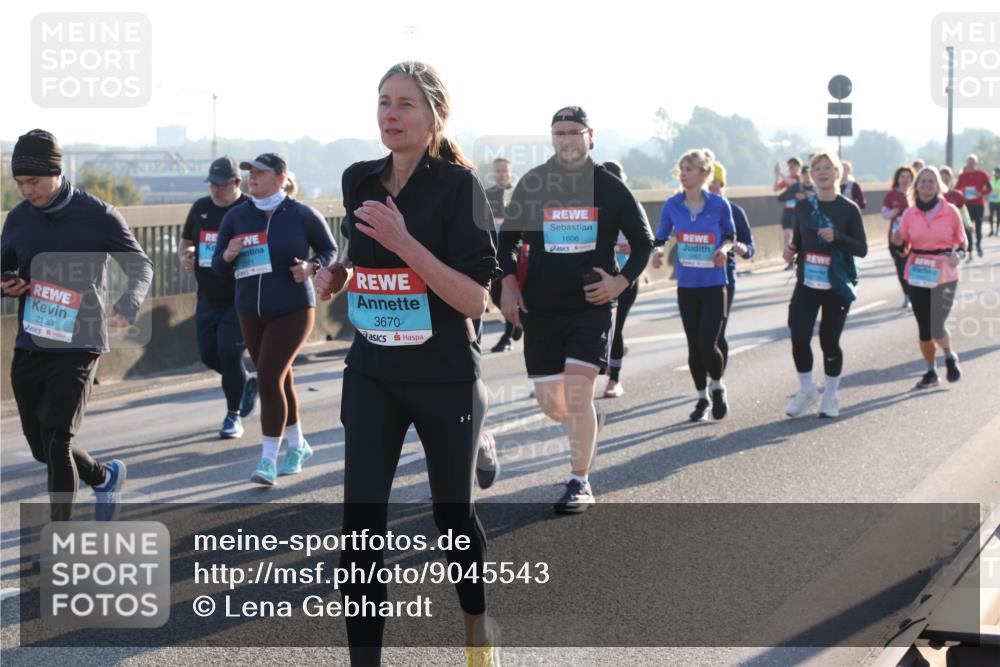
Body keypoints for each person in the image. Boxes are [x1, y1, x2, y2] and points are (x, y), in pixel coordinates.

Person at [314, 61, 500, 666]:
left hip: (444, 376)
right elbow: (358, 254)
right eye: (383, 102)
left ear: (435, 116)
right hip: (374, 374)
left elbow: (475, 301)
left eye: (405, 105)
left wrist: (405, 243)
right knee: (360, 533)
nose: (389, 115)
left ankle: (477, 632)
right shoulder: (358, 178)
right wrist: (337, 274)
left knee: (453, 519)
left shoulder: (460, 188)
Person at [499, 105, 653, 514]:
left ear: (590, 136)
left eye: (574, 132)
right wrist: (509, 283)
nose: (567, 139)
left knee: (579, 393)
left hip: (591, 306)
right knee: (551, 403)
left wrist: (620, 282)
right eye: (560, 133)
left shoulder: (609, 187)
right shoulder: (534, 183)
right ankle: (586, 424)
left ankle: (579, 481)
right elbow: (506, 241)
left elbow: (643, 242)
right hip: (541, 308)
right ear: (552, 139)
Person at [1, 129, 153, 522]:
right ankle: (103, 477)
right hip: (32, 341)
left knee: (57, 438)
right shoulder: (18, 219)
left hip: (81, 342)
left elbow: (140, 266)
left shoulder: (99, 215)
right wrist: (8, 283)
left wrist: (128, 303)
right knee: (41, 446)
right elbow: (5, 270)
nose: (25, 190)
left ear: (56, 172)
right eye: (19, 183)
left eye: (33, 181)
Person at [212, 153, 336, 485]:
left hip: (293, 308)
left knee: (267, 377)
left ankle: (267, 460)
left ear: (280, 178)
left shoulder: (301, 214)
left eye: (260, 172)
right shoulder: (237, 216)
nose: (252, 177)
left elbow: (330, 250)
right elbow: (218, 267)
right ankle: (298, 445)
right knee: (280, 379)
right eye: (250, 172)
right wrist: (228, 254)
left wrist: (311, 266)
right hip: (249, 310)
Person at [651, 149, 735, 422]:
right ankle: (701, 398)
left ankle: (717, 387)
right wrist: (658, 251)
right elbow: (661, 236)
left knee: (708, 343)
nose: (683, 174)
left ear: (704, 173)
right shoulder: (672, 205)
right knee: (694, 346)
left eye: (689, 169)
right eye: (682, 169)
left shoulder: (719, 205)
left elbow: (730, 236)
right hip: (687, 286)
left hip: (714, 284)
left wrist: (724, 249)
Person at [783, 151, 867, 419]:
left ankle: (830, 395)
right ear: (811, 175)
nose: (821, 172)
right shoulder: (803, 207)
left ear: (837, 173)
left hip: (836, 284)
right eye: (816, 168)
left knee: (829, 342)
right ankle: (807, 389)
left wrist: (837, 237)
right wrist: (790, 251)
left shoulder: (848, 209)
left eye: (827, 167)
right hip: (807, 281)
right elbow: (798, 241)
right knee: (798, 335)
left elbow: (862, 248)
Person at [179, 156, 257, 439]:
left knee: (228, 351)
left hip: (239, 297)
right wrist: (186, 256)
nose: (215, 189)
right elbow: (187, 242)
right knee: (208, 354)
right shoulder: (200, 207)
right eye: (212, 183)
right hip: (207, 295)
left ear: (237, 182)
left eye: (221, 184)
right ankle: (244, 380)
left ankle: (233, 415)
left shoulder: (250, 208)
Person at [891, 167, 966, 389]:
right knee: (924, 328)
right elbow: (902, 245)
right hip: (918, 273)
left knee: (936, 324)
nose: (926, 185)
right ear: (916, 187)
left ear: (938, 186)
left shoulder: (950, 211)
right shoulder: (909, 213)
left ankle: (949, 355)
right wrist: (898, 243)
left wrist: (959, 255)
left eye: (931, 181)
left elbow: (962, 242)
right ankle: (931, 371)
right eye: (922, 181)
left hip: (945, 273)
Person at [707, 162, 755, 371]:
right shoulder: (689, 209)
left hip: (724, 279)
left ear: (722, 184)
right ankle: (705, 379)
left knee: (717, 333)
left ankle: (717, 379)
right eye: (706, 182)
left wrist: (743, 249)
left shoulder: (734, 211)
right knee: (699, 336)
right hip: (695, 280)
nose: (710, 187)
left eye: (714, 182)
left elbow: (750, 246)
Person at [601, 159, 643, 398]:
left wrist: (633, 247)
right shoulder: (590, 205)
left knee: (615, 329)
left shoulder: (631, 205)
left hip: (625, 277)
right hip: (597, 276)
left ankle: (614, 380)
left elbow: (648, 243)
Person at [484, 157, 522, 352]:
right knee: (495, 295)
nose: (501, 175)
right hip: (492, 254)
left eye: (504, 171)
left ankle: (507, 337)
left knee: (508, 293)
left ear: (511, 173)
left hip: (512, 253)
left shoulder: (518, 195)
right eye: (497, 171)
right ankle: (516, 321)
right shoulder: (486, 194)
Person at [883, 166, 914, 308]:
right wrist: (894, 212)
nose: (905, 179)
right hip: (896, 238)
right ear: (897, 178)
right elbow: (884, 213)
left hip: (914, 239)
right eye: (902, 176)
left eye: (908, 176)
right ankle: (907, 294)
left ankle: (915, 293)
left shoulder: (916, 194)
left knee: (912, 267)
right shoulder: (892, 195)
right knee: (901, 268)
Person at [955, 154, 994, 258]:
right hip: (966, 205)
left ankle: (979, 244)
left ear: (976, 163)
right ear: (966, 163)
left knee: (978, 227)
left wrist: (981, 193)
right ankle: (970, 249)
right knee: (968, 227)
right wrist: (961, 193)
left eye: (972, 162)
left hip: (978, 204)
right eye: (969, 162)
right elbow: (956, 190)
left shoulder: (982, 174)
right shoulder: (962, 176)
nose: (970, 165)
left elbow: (990, 188)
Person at [939, 166, 974, 263]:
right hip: (939, 229)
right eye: (942, 179)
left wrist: (968, 224)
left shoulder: (957, 195)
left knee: (952, 256)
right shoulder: (934, 196)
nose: (944, 181)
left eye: (946, 179)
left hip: (954, 229)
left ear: (950, 179)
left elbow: (964, 211)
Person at [774, 157, 803, 270]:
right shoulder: (787, 178)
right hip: (788, 210)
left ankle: (800, 257)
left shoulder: (801, 178)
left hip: (798, 211)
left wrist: (781, 174)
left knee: (798, 236)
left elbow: (794, 183)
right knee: (787, 236)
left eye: (792, 166)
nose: (790, 168)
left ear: (798, 166)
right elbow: (776, 188)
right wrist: (777, 175)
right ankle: (790, 260)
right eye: (789, 166)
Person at [989, 167, 1000, 237]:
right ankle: (991, 230)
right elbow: (988, 188)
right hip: (992, 200)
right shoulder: (991, 180)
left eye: (997, 172)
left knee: (998, 216)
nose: (996, 174)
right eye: (995, 172)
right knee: (991, 216)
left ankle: (997, 230)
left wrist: (996, 191)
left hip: (999, 201)